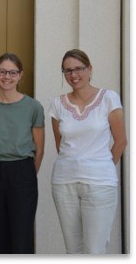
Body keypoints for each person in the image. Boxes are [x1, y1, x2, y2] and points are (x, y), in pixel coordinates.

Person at [49, 49, 127, 254]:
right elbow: (60, 146)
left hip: (100, 183)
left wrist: (101, 166)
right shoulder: (57, 104)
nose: (73, 75)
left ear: (89, 68)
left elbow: (121, 141)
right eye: (67, 71)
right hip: (64, 182)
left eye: (78, 69)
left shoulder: (109, 97)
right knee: (73, 251)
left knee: (95, 251)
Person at [0, 53, 44, 254]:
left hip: (22, 171)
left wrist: (27, 174)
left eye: (13, 72)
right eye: (3, 71)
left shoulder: (33, 107)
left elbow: (39, 148)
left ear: (20, 75)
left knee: (22, 235)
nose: (7, 76)